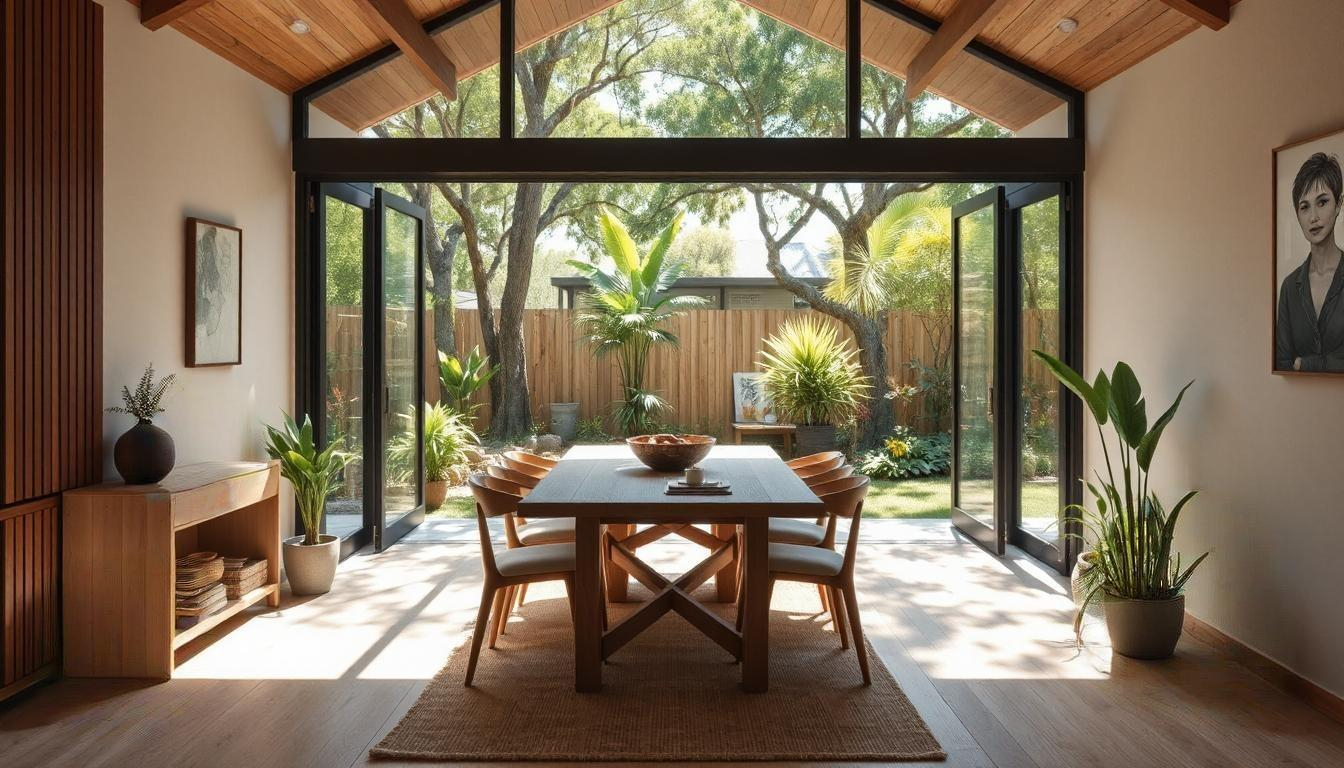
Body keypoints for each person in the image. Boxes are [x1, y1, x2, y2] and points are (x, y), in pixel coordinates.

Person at [1276, 152, 1344, 372]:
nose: (1313, 217)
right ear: (1297, 215)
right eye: (1305, 207)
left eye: (1322, 202)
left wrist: (1305, 363)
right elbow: (1283, 363)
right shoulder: (1289, 287)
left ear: (1339, 204)